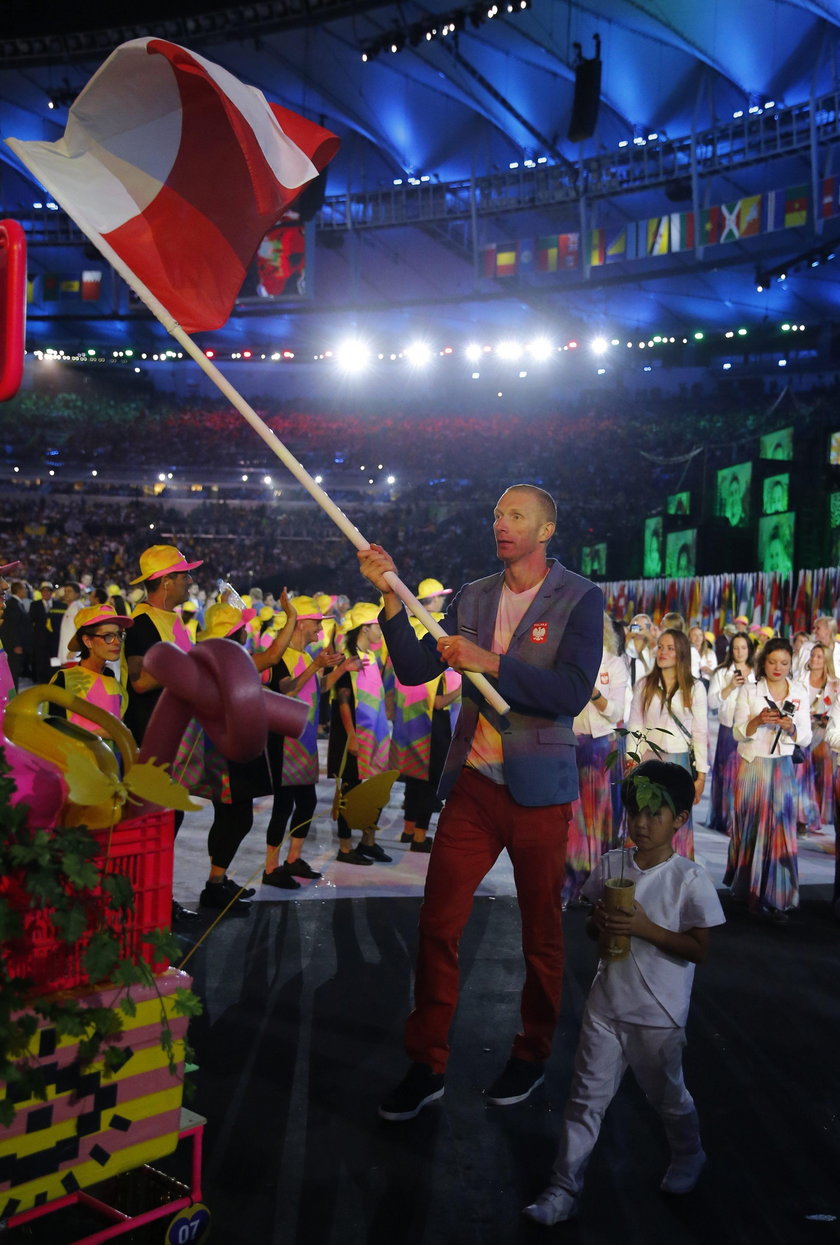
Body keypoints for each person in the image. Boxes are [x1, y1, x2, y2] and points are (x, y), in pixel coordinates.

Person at [357, 483, 603, 1120]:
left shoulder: (579, 597)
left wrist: (489, 662)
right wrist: (391, 602)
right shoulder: (474, 595)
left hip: (539, 791)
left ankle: (532, 1051)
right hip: (472, 785)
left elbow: (572, 692)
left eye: (516, 515)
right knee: (438, 925)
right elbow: (415, 669)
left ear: (546, 530)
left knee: (541, 935)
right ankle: (426, 1062)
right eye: (497, 513)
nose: (502, 523)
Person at [522, 761, 725, 1226]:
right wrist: (599, 924)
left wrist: (644, 927)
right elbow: (596, 928)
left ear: (679, 819)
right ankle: (563, 1188)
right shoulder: (613, 863)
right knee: (584, 1098)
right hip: (605, 1004)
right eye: (635, 811)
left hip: (658, 1013)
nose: (642, 822)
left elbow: (700, 949)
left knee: (668, 1096)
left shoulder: (689, 878)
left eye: (656, 813)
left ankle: (689, 1155)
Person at [262, 596, 347, 889]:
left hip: (304, 739)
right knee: (284, 805)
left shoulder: (307, 655)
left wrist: (339, 670)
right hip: (285, 741)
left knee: (307, 801)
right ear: (300, 623)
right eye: (316, 622)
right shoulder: (280, 655)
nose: (320, 629)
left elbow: (317, 687)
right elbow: (287, 689)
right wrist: (316, 665)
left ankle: (292, 859)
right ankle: (270, 867)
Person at [727, 637, 811, 923]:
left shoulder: (799, 691)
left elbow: (807, 735)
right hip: (753, 766)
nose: (778, 668)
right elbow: (738, 732)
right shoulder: (750, 691)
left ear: (791, 664)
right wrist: (758, 720)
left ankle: (780, 896)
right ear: (763, 662)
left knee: (781, 832)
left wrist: (792, 727)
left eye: (784, 663)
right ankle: (748, 890)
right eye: (773, 662)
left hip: (784, 766)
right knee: (751, 827)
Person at [564, 612, 628, 906]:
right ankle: (568, 880)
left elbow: (616, 713)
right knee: (571, 816)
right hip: (569, 743)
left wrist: (593, 694)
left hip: (602, 747)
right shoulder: (565, 661)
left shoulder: (614, 664)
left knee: (599, 816)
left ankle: (596, 882)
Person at [627, 629, 708, 858]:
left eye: (670, 648)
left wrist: (701, 776)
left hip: (679, 763)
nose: (663, 652)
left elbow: (700, 733)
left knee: (674, 821)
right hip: (648, 762)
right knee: (645, 820)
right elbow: (635, 726)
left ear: (681, 652)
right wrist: (631, 763)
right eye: (660, 647)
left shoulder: (695, 688)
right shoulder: (645, 685)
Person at [326, 602, 394, 865]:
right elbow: (342, 699)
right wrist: (352, 736)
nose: (381, 632)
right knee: (349, 789)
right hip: (352, 736)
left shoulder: (371, 657)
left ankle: (368, 841)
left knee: (376, 787)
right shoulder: (346, 659)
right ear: (365, 628)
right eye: (377, 627)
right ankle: (345, 847)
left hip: (375, 734)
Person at [124, 545, 202, 747]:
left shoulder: (170, 618)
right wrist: (193, 665)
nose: (190, 580)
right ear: (166, 581)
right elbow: (140, 681)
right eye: (185, 575)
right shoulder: (142, 622)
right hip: (156, 739)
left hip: (179, 731)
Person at [48, 603, 133, 743]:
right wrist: (105, 732)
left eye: (119, 635)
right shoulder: (64, 679)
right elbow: (53, 731)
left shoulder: (109, 675)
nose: (117, 642)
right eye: (108, 636)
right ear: (88, 641)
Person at [707, 632, 755, 836]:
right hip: (728, 729)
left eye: (743, 647)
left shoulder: (758, 672)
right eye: (736, 647)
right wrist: (730, 687)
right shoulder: (722, 672)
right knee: (727, 775)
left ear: (749, 649)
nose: (739, 652)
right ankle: (727, 819)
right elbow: (712, 703)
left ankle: (744, 818)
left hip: (750, 730)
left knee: (745, 776)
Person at [795, 642, 837, 836]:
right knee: (801, 770)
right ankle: (800, 817)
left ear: (826, 660)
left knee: (822, 765)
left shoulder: (834, 685)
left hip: (822, 733)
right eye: (812, 655)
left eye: (819, 656)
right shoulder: (799, 680)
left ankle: (814, 813)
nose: (814, 659)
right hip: (803, 731)